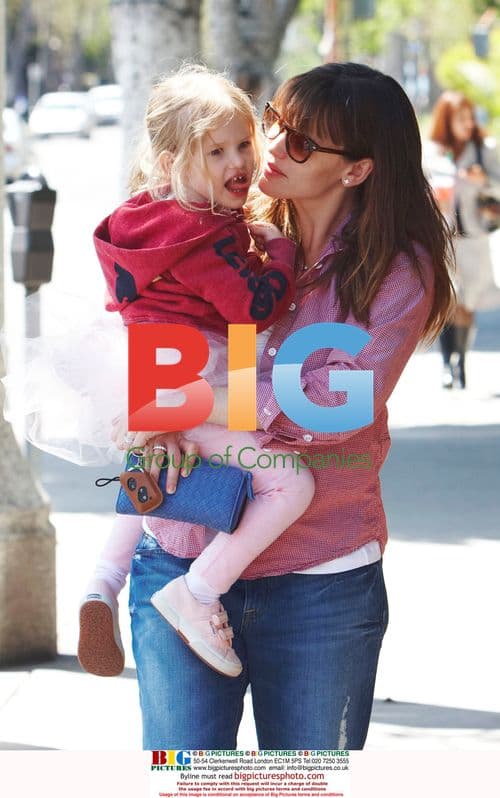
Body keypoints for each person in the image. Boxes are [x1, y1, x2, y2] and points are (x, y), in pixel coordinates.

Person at [120, 62, 455, 749]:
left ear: (356, 170)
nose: (269, 145)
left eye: (300, 142)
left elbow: (337, 403)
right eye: (273, 120)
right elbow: (139, 330)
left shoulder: (397, 267)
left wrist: (181, 404)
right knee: (188, 788)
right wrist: (152, 404)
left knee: (303, 787)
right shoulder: (223, 225)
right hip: (179, 551)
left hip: (317, 581)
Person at [78, 65, 316, 681]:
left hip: (153, 371)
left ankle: (102, 581)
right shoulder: (204, 235)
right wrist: (281, 251)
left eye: (243, 143)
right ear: (170, 160)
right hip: (204, 379)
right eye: (215, 151)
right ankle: (200, 590)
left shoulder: (141, 218)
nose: (238, 161)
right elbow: (252, 308)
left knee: (157, 465)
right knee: (291, 483)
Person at [426, 90, 500, 389]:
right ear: (446, 120)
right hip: (443, 239)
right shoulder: (433, 152)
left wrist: (484, 181)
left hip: (474, 239)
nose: (468, 123)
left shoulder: (485, 150)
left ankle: (461, 362)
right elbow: (417, 190)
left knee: (467, 303)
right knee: (447, 300)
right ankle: (447, 364)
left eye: (470, 117)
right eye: (461, 118)